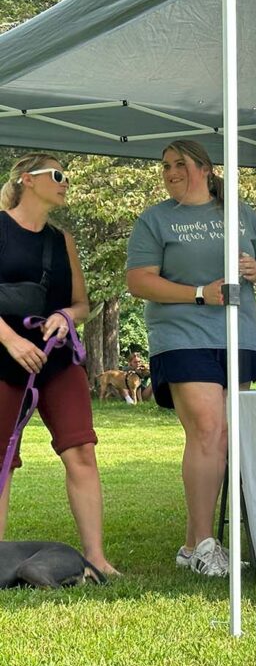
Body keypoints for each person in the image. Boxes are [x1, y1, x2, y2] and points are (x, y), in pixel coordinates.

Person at [126, 140, 256, 577]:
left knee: (226, 436)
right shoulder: (155, 219)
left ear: (205, 168)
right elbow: (139, 281)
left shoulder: (241, 213)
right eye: (165, 166)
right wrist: (199, 295)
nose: (171, 172)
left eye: (180, 164)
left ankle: (193, 546)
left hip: (240, 336)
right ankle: (205, 544)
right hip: (181, 336)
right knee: (209, 429)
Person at [0, 153, 118, 576]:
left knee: (81, 448)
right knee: (1, 459)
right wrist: (12, 341)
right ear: (28, 180)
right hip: (4, 354)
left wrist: (66, 316)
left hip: (56, 357)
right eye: (58, 175)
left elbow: (82, 304)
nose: (66, 182)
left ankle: (96, 558)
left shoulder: (60, 239)